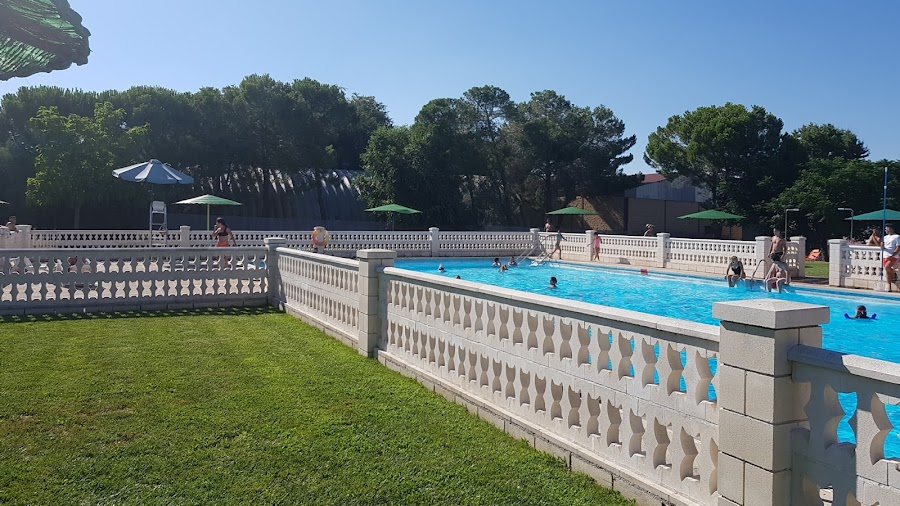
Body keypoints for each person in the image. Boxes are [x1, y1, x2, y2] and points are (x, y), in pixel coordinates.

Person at [882, 223, 900, 287]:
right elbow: (882, 247)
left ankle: (893, 274)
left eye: (886, 229)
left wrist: (892, 255)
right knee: (887, 271)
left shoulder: (897, 236)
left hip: (893, 256)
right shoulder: (885, 237)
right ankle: (889, 286)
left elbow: (898, 247)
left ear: (890, 228)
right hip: (885, 255)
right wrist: (881, 245)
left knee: (887, 267)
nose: (885, 230)